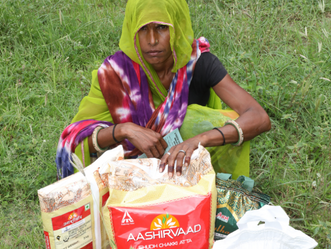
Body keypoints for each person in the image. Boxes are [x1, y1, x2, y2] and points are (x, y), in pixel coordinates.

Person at [56, 0, 271, 179]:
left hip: (187, 166)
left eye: (161, 27)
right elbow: (78, 138)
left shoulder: (198, 63)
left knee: (214, 122)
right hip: (129, 176)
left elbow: (258, 117)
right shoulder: (115, 74)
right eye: (143, 29)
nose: (152, 41)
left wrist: (199, 139)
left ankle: (219, 194)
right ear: (132, 30)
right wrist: (125, 129)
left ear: (177, 27)